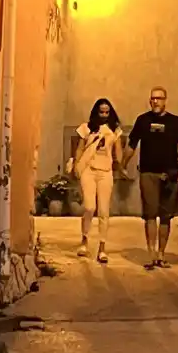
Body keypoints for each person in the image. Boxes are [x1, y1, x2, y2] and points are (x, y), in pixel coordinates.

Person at [127, 86, 178, 267]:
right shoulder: (142, 120)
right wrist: (122, 164)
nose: (156, 101)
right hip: (148, 173)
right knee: (149, 214)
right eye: (153, 98)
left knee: (165, 216)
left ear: (165, 100)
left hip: (170, 173)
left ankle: (161, 254)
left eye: (160, 98)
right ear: (150, 100)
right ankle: (151, 253)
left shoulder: (176, 122)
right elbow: (131, 144)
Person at [69, 99, 127, 263]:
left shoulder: (114, 130)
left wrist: (121, 166)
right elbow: (80, 148)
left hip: (105, 172)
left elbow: (118, 151)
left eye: (107, 112)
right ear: (96, 112)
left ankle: (102, 247)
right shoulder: (86, 128)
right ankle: (84, 241)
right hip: (89, 170)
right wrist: (76, 166)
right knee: (89, 207)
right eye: (101, 111)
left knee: (103, 211)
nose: (104, 115)